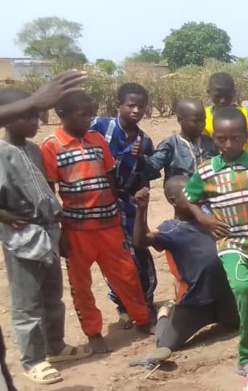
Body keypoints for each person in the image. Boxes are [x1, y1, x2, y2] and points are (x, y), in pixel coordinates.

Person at [41, 91, 151, 353]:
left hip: (109, 224)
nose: (89, 119)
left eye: (91, 113)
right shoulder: (52, 145)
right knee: (81, 286)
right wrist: (60, 232)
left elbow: (110, 174)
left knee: (127, 274)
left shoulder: (97, 139)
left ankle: (143, 319)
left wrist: (113, 205)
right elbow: (49, 192)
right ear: (62, 115)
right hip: (77, 231)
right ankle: (93, 333)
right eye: (83, 115)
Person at [183, 106, 248, 375]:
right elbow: (189, 197)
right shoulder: (206, 171)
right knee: (242, 289)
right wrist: (203, 219)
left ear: (247, 136)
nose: (228, 144)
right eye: (221, 138)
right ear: (213, 137)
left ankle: (246, 353)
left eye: (235, 138)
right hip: (230, 243)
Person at [0, 89, 92, 385]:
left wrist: (60, 228)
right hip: (21, 236)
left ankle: (55, 346)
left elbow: (46, 192)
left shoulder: (34, 150)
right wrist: (5, 216)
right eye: (26, 116)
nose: (34, 122)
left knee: (53, 294)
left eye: (36, 115)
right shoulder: (1, 153)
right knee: (27, 302)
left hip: (47, 233)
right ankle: (33, 360)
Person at [128, 176, 239, 369]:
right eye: (189, 194)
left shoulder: (208, 221)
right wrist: (142, 209)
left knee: (242, 325)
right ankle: (165, 312)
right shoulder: (170, 229)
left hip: (223, 296)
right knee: (165, 345)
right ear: (173, 201)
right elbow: (140, 241)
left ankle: (220, 314)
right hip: (193, 303)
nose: (196, 197)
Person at [90, 82, 159, 326]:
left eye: (141, 106)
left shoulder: (144, 140)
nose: (136, 110)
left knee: (139, 252)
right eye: (131, 105)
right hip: (99, 203)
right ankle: (123, 304)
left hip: (128, 202)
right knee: (114, 256)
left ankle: (146, 302)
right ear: (119, 105)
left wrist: (143, 213)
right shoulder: (99, 127)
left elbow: (146, 180)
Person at [147, 99, 219, 180]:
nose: (202, 124)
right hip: (180, 191)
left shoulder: (210, 142)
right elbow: (152, 168)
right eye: (196, 121)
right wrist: (140, 158)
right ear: (180, 120)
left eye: (203, 120)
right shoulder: (170, 145)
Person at [204, 72, 248, 152]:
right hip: (217, 163)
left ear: (233, 93)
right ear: (209, 93)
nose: (222, 100)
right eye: (218, 96)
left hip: (243, 162)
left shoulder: (243, 113)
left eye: (227, 95)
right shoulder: (204, 116)